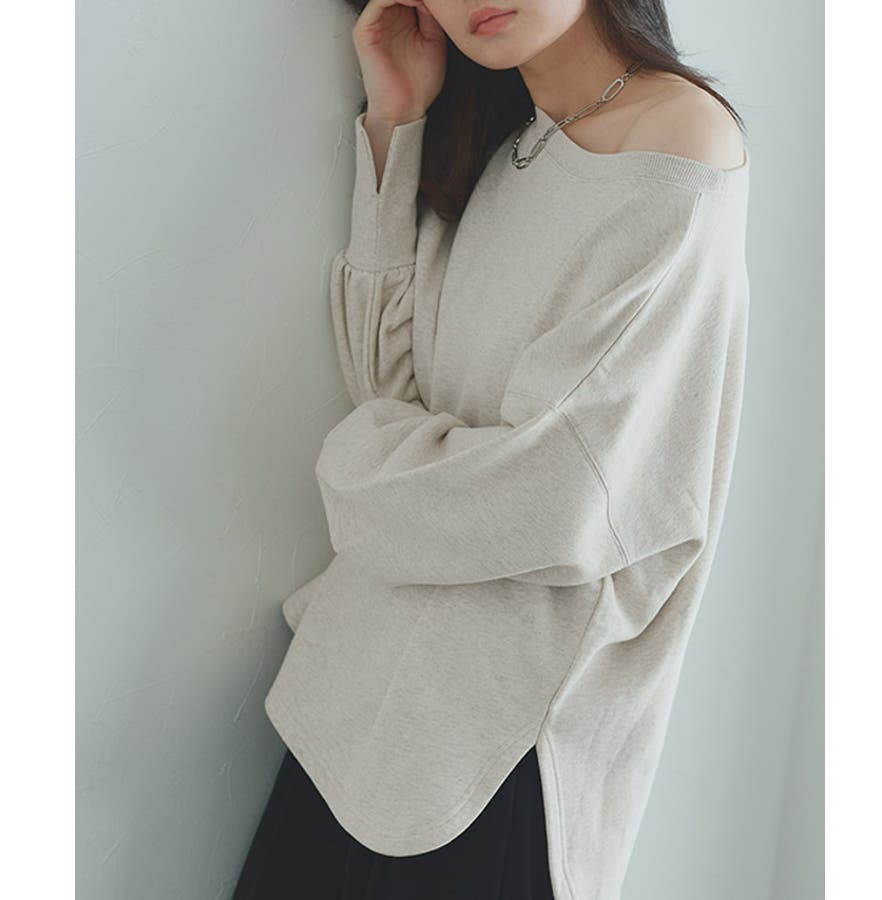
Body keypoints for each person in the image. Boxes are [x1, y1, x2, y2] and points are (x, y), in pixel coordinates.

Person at [235, 1, 751, 897]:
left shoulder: (680, 145)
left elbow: (554, 498)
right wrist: (397, 118)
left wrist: (355, 473)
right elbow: (383, 378)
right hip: (354, 713)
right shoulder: (515, 139)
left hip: (491, 763)